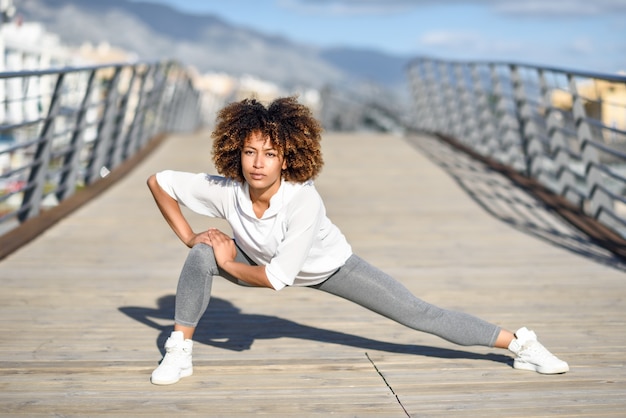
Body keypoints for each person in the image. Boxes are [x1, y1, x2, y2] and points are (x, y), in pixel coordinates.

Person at [146, 96, 569, 385]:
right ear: (235, 151)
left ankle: (519, 343)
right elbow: (158, 181)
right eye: (251, 152)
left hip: (329, 268)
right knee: (203, 253)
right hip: (256, 260)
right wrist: (191, 237)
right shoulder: (226, 190)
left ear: (288, 157)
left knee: (418, 313)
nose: (258, 164)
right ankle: (179, 348)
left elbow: (277, 279)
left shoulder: (302, 202)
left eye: (270, 154)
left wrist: (228, 259)